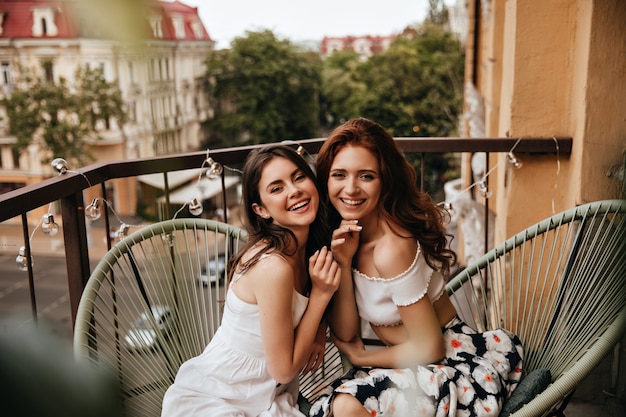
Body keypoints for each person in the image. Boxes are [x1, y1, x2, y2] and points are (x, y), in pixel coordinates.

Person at [310, 118, 523, 417]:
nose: (351, 188)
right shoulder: (346, 238)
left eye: (366, 176)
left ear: (385, 181)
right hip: (408, 364)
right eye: (339, 175)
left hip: (450, 364)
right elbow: (346, 333)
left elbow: (430, 347)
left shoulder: (392, 247)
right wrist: (343, 263)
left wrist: (360, 357)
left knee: (345, 406)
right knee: (336, 406)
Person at [162, 144, 341, 416]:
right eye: (276, 188)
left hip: (265, 392)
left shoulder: (310, 247)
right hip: (219, 395)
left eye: (298, 177)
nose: (294, 191)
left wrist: (319, 326)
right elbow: (283, 368)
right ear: (261, 210)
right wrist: (320, 296)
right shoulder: (273, 267)